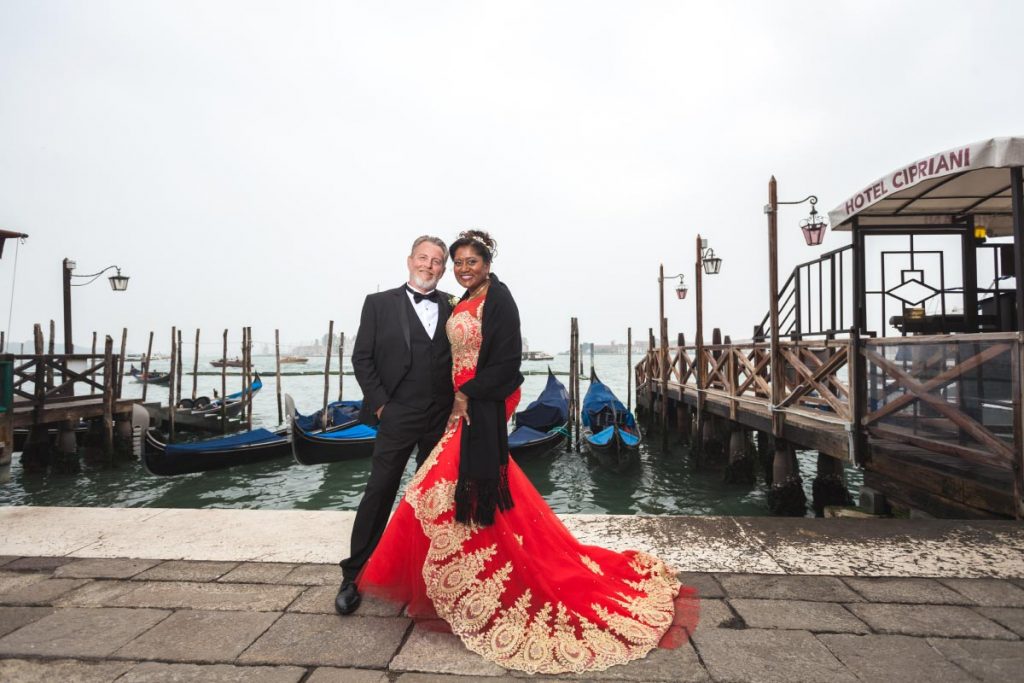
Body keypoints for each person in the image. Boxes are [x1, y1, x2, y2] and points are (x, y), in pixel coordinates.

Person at [357, 230, 699, 675]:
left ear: (487, 263)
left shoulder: (497, 298)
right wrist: (397, 402)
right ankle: (413, 577)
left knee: (445, 489)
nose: (461, 268)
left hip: (477, 408)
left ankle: (478, 582)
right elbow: (394, 357)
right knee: (428, 490)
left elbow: (507, 361)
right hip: (441, 410)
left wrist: (468, 397)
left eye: (468, 261)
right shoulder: (452, 301)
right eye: (455, 262)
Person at [335, 235, 455, 615]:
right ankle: (353, 575)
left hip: (440, 414)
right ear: (409, 261)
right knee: (380, 490)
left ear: (443, 267)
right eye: (423, 258)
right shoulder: (378, 303)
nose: (429, 266)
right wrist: (383, 406)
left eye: (437, 261)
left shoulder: (455, 305)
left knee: (434, 496)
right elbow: (362, 359)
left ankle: (427, 573)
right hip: (397, 412)